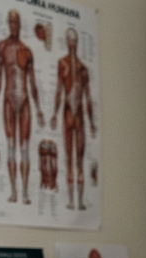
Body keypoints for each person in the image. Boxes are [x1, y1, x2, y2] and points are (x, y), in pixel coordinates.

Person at [0, 9, 44, 205]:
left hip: (25, 101)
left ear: (20, 25)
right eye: (10, 23)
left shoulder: (26, 51)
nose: (13, 26)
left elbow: (32, 82)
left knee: (25, 148)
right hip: (8, 100)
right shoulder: (2, 47)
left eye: (16, 23)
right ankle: (14, 191)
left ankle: (25, 192)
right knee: (11, 147)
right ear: (8, 24)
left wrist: (38, 109)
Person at [51, 27, 96, 211]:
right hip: (68, 114)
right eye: (70, 42)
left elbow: (88, 98)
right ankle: (71, 200)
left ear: (76, 44)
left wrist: (92, 123)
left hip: (79, 118)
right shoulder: (62, 64)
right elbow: (59, 91)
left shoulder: (83, 69)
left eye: (74, 42)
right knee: (69, 159)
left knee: (79, 160)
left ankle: (79, 201)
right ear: (67, 43)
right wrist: (54, 114)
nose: (72, 45)